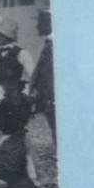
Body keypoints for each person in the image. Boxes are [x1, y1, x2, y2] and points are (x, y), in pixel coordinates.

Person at [29, 10, 55, 138]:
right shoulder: (48, 44)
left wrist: (50, 98)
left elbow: (49, 75)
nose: (37, 26)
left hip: (51, 99)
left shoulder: (53, 46)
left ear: (49, 22)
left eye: (40, 22)